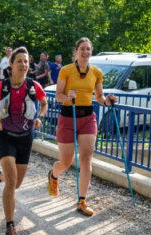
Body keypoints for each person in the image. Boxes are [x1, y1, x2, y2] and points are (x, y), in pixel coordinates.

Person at [0, 46, 48, 235]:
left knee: (16, 182)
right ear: (11, 64)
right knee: (12, 182)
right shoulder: (1, 86)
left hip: (25, 137)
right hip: (5, 136)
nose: (23, 65)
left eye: (26, 61)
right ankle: (10, 225)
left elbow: (44, 103)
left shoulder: (33, 86)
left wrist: (40, 117)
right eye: (19, 61)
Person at [47, 37, 117, 216]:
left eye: (88, 49)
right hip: (68, 117)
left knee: (86, 159)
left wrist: (107, 101)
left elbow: (100, 97)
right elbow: (58, 96)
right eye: (82, 49)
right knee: (66, 162)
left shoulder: (96, 72)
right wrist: (67, 95)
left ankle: (82, 201)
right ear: (76, 52)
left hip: (87, 118)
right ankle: (54, 175)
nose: (85, 52)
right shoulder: (66, 70)